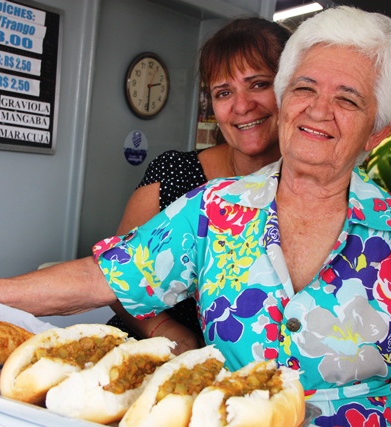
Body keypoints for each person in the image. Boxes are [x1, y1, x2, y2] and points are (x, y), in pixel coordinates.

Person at [0, 7, 391, 426]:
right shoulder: (217, 211)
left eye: (346, 99)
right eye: (304, 88)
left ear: (376, 131)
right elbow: (97, 278)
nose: (316, 111)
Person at [107, 17, 291, 354]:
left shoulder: (313, 193)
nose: (241, 105)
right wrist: (169, 333)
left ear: (293, 87)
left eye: (258, 84)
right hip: (150, 354)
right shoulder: (176, 173)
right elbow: (112, 280)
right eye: (224, 92)